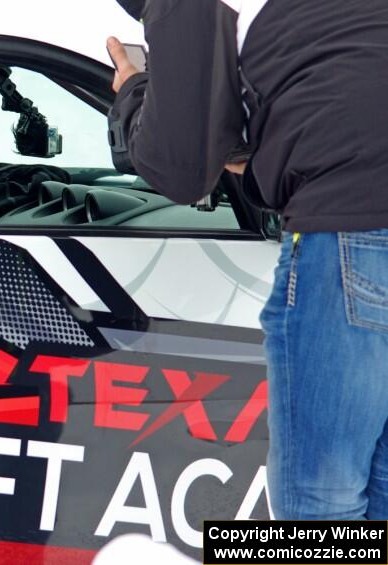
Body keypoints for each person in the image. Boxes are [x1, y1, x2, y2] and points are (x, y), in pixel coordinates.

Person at [107, 0, 388, 520]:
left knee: (319, 507)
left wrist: (133, 93)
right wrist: (257, 159)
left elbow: (179, 168)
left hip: (353, 227)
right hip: (357, 204)